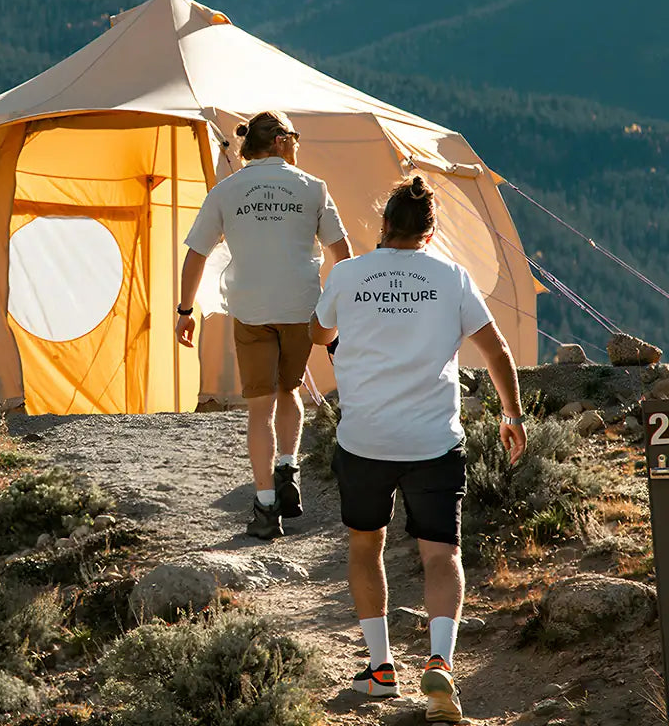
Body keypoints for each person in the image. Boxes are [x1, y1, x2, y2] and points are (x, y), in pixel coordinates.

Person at [309, 175, 526, 723]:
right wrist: (511, 414)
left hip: (365, 440)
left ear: (384, 225)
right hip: (434, 440)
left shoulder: (350, 273)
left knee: (365, 547)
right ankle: (441, 666)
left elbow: (317, 333)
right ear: (430, 232)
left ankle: (380, 668)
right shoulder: (451, 277)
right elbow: (496, 349)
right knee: (442, 555)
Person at [176, 110, 352, 539]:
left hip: (251, 308)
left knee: (259, 407)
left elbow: (197, 253)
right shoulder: (313, 188)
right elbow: (342, 255)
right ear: (278, 141)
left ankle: (265, 506)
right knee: (289, 389)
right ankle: (288, 470)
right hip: (300, 307)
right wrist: (344, 308)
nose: (297, 143)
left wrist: (185, 310)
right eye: (293, 136)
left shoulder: (226, 190)